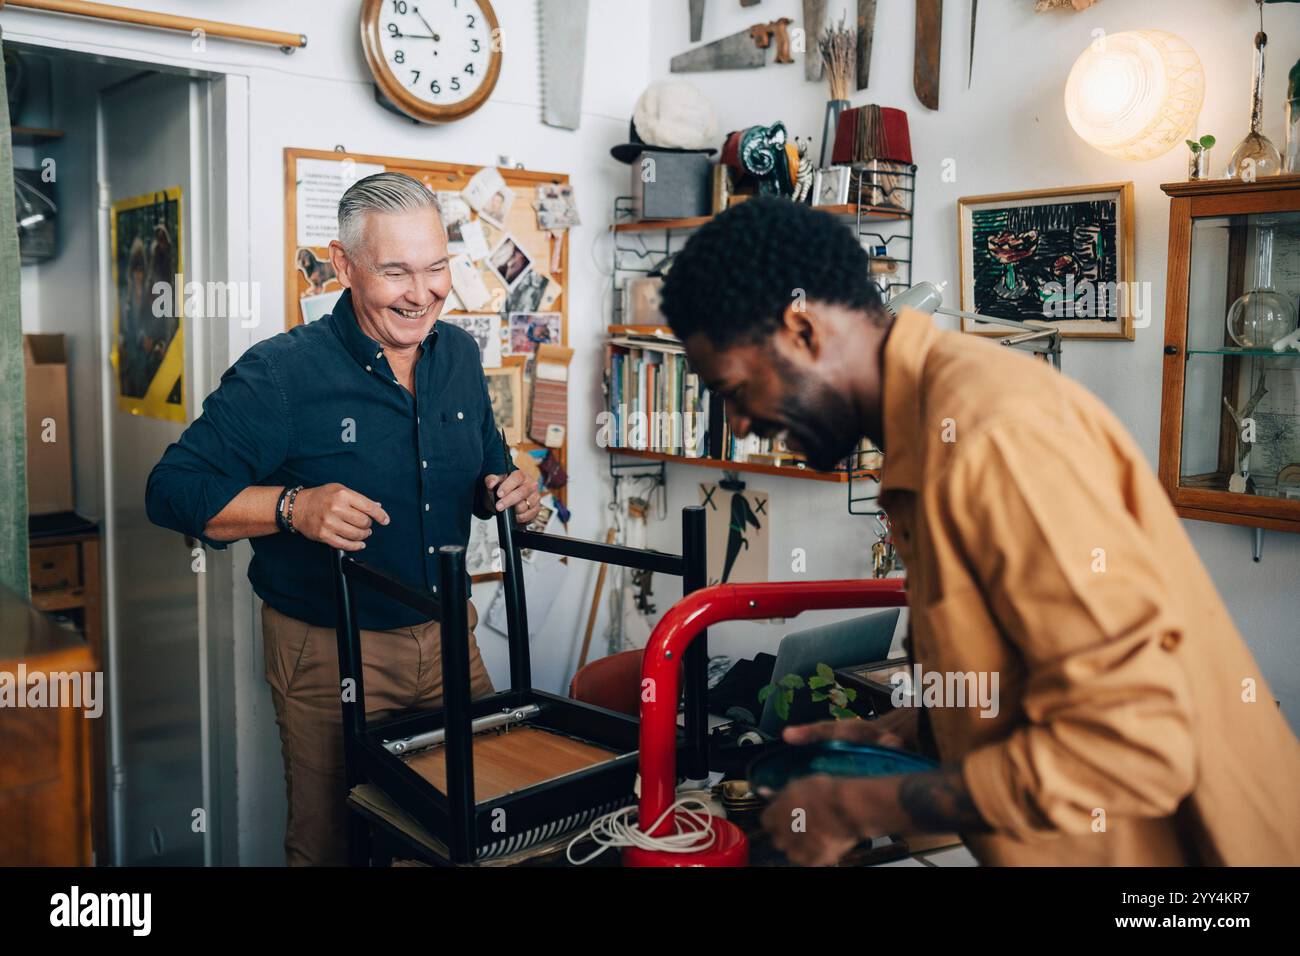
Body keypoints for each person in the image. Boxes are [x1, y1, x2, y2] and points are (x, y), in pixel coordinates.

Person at [658, 195, 1300, 866]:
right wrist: (911, 735)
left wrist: (860, 806)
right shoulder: (930, 429)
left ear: (803, 331)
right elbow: (1032, 669)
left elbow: (1135, 739)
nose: (736, 425)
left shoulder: (991, 435)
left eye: (732, 390)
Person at [146, 172, 541, 865]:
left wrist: (508, 491)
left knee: (476, 828)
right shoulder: (281, 374)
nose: (422, 293)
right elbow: (171, 490)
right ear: (343, 265)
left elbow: (485, 471)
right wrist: (293, 507)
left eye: (437, 268)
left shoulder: (458, 357)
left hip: (450, 635)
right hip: (329, 651)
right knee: (334, 842)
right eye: (396, 272)